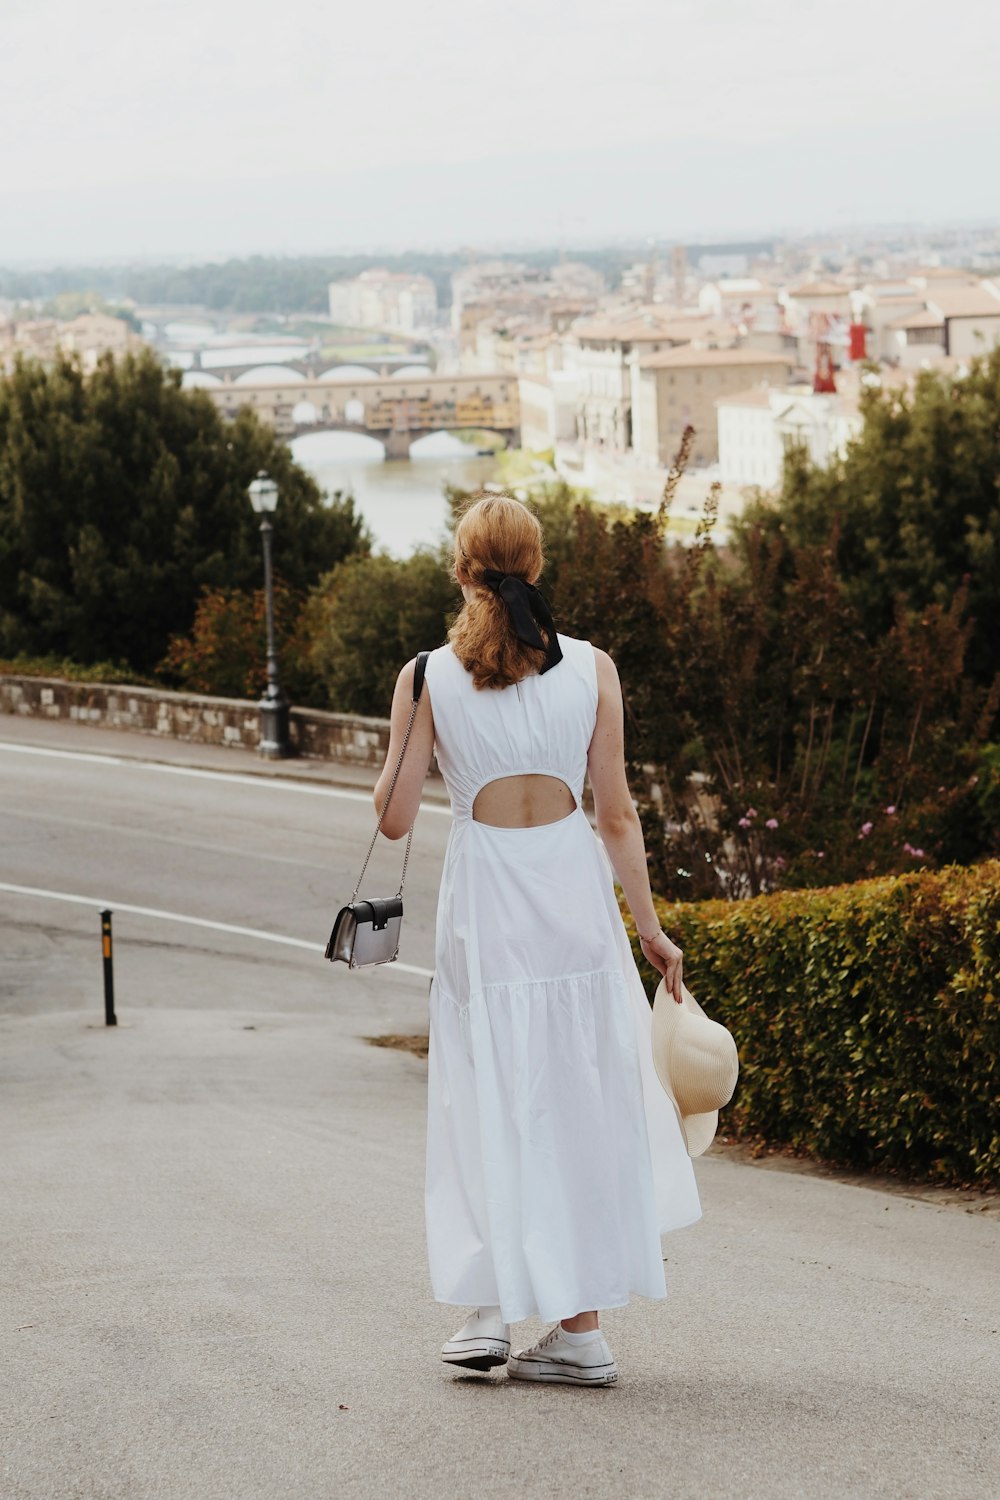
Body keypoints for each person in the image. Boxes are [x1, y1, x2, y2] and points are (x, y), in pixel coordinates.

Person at [374, 492, 700, 1387]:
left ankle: (485, 1313)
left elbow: (395, 819)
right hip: (574, 902)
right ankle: (581, 1332)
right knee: (581, 1101)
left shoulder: (427, 674)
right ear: (539, 565)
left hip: (488, 905)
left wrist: (408, 719)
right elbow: (618, 814)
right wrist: (652, 930)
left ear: (461, 568)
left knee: (485, 1094)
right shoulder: (593, 667)